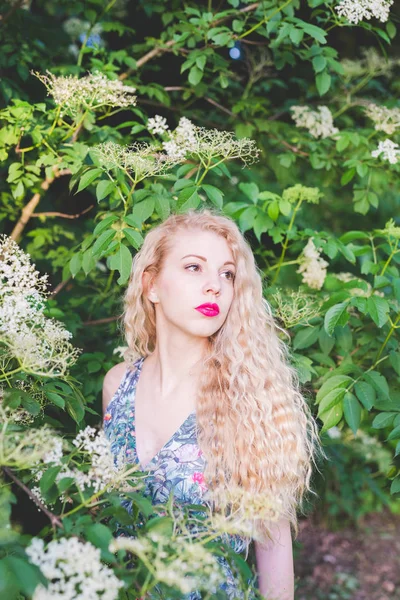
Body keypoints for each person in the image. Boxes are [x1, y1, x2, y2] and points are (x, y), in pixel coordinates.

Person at [102, 208, 320, 599]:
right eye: (193, 268)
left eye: (227, 274)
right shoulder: (117, 386)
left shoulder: (249, 395)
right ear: (151, 285)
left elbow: (272, 544)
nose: (214, 287)